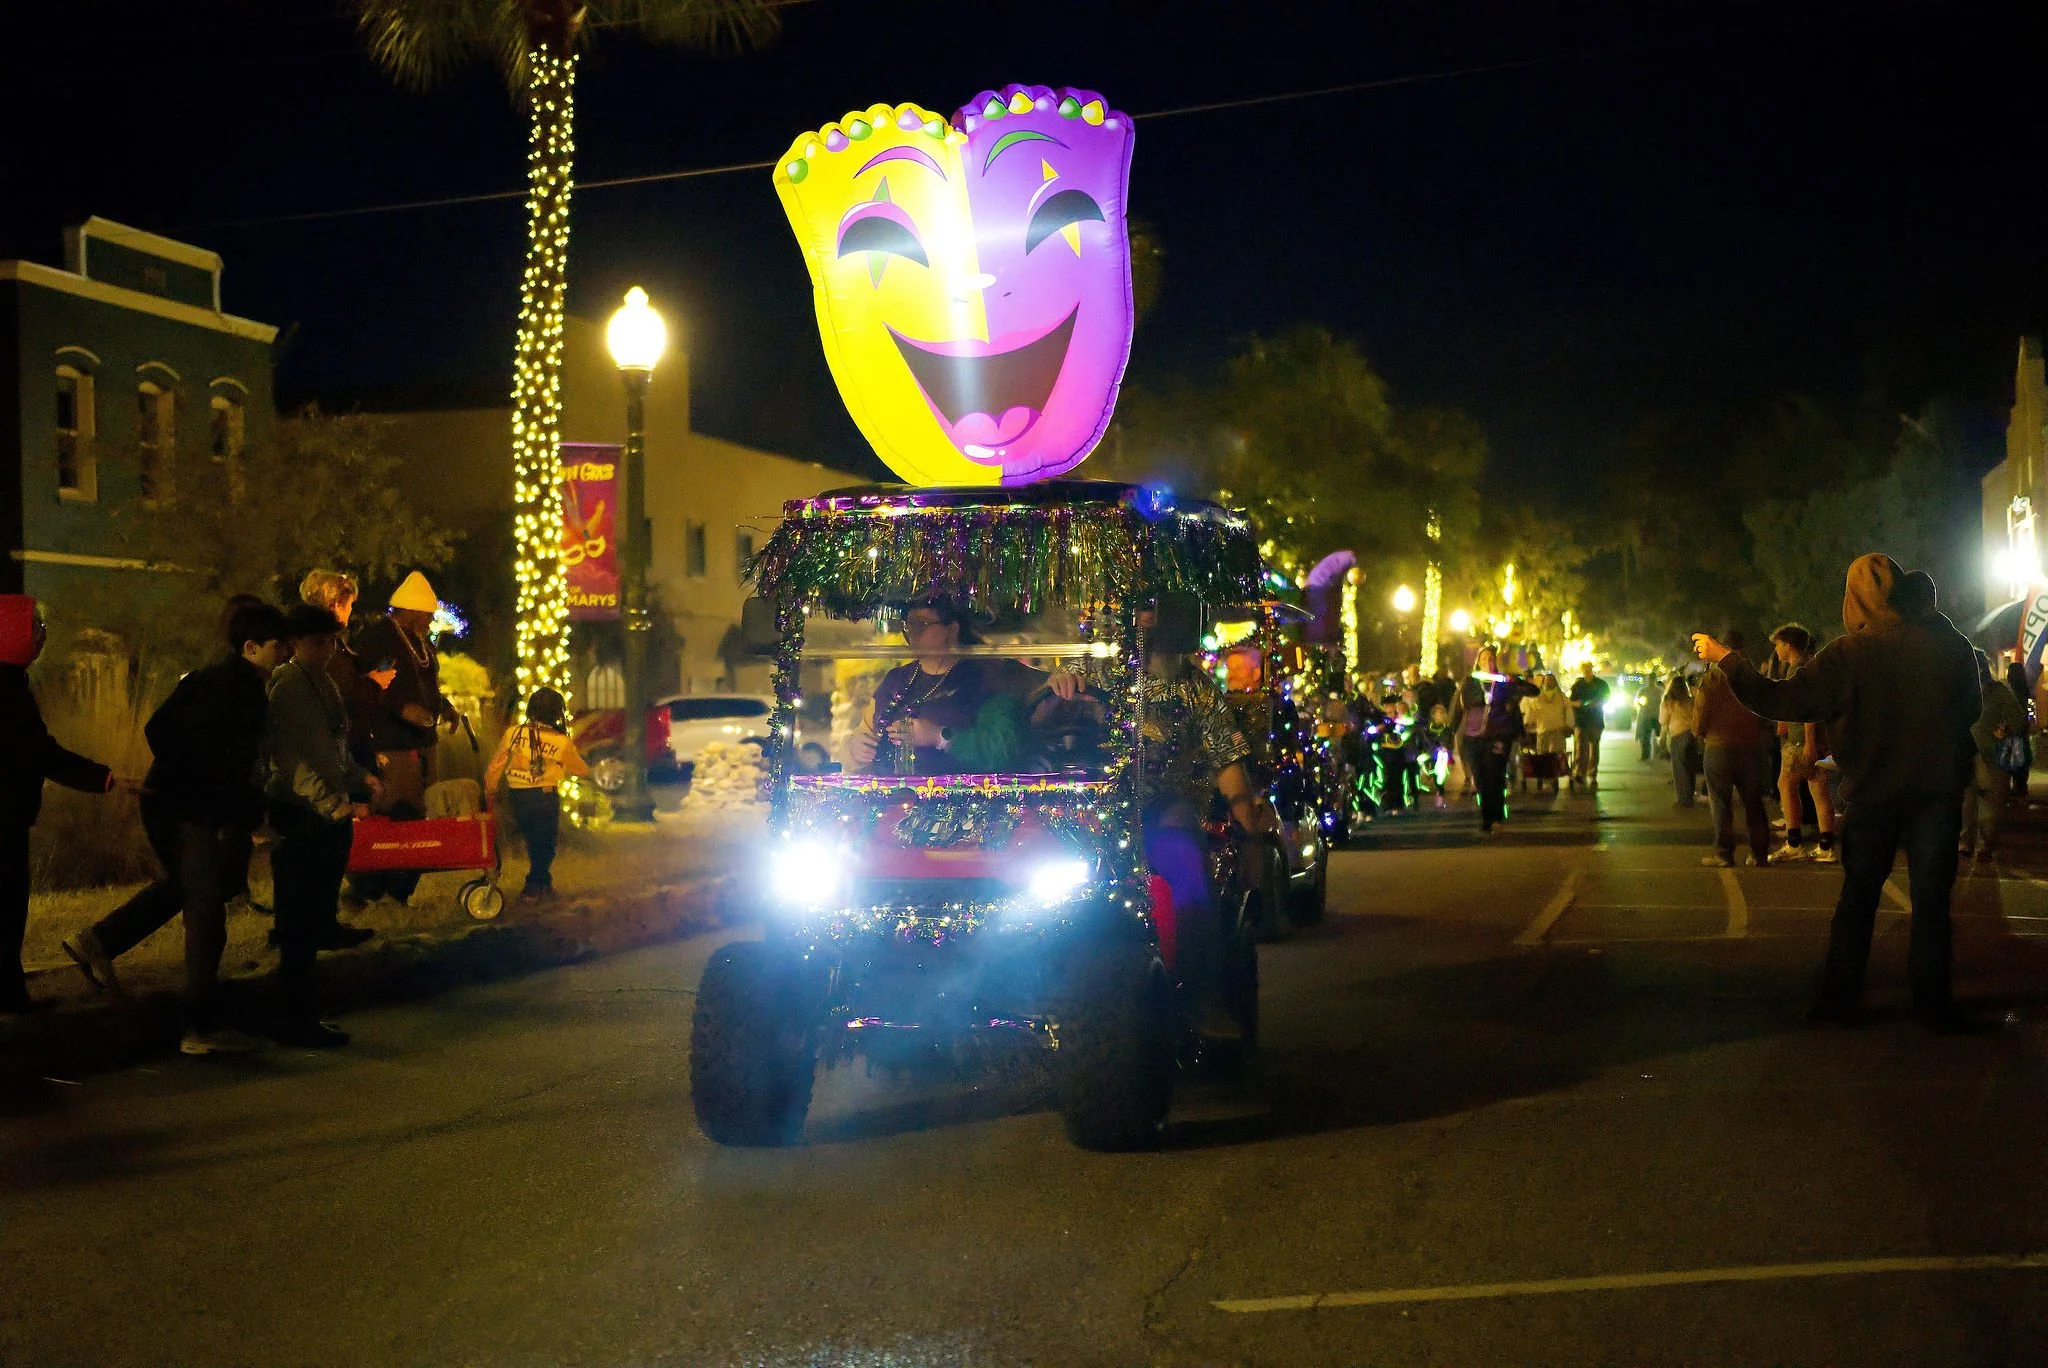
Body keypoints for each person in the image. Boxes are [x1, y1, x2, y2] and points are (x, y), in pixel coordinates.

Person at [1693, 554, 1980, 1029]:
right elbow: (1969, 707)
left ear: (1854, 600)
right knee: (1931, 903)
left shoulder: (1849, 655)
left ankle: (1839, 1002)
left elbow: (1779, 698)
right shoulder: (1949, 646)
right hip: (1937, 791)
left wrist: (1727, 659)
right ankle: (1932, 1005)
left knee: (1859, 899)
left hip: (1873, 792)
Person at [61, 601, 296, 1053]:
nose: (283, 653)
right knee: (206, 915)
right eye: (277, 646)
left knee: (196, 888)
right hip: (189, 809)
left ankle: (99, 941)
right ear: (251, 648)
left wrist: (181, 772)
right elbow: (231, 768)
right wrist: (245, 813)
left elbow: (157, 728)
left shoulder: (208, 678)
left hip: (170, 800)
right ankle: (199, 1028)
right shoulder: (244, 694)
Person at [1, 596, 129, 1013]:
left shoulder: (13, 682)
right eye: (35, 629)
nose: (41, 638)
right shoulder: (7, 688)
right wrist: (102, 778)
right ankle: (9, 997)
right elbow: (39, 752)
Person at [266, 603, 379, 1048]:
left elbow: (335, 745)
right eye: (319, 641)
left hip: (328, 812)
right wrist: (330, 802)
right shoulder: (288, 683)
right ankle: (292, 1017)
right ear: (296, 642)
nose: (328, 648)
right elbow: (289, 758)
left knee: (313, 917)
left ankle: (302, 1012)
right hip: (301, 812)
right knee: (298, 921)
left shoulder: (325, 681)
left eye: (331, 640)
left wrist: (359, 779)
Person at [845, 598, 1045, 774]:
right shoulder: (897, 678)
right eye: (909, 624)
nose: (912, 632)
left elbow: (999, 750)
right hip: (892, 798)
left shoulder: (987, 675)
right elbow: (866, 729)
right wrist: (857, 744)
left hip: (962, 802)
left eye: (922, 624)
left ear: (952, 629)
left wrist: (938, 736)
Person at [352, 571, 455, 902]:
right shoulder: (379, 638)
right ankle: (369, 889)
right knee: (391, 813)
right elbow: (369, 684)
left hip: (423, 742)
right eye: (426, 614)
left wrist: (447, 708)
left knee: (416, 817)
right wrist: (400, 708)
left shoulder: (421, 641)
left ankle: (401, 890)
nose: (429, 620)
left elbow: (427, 686)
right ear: (410, 610)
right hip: (392, 743)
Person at [484, 687, 590, 901]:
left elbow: (496, 765)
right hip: (544, 797)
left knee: (534, 842)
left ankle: (544, 885)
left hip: (517, 797)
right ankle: (532, 887)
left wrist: (490, 789)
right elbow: (581, 769)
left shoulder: (513, 734)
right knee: (545, 845)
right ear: (556, 712)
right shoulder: (560, 741)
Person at [1692, 629, 1771, 868]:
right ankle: (1759, 853)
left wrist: (1698, 732)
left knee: (1721, 803)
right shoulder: (1752, 675)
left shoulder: (1713, 679)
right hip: (1750, 746)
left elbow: (1701, 714)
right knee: (1753, 802)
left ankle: (1724, 853)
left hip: (1719, 747)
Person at [1765, 625, 1837, 864]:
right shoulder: (1814, 666)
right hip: (1816, 739)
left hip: (1801, 740)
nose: (1776, 650)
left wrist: (1808, 742)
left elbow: (1808, 709)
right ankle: (1826, 845)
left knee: (1785, 784)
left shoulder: (1798, 670)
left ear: (1787, 644)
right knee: (1818, 789)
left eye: (1777, 644)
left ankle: (1794, 842)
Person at [1455, 646, 1538, 834]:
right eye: (1484, 658)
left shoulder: (1503, 682)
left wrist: (1516, 681)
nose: (1488, 661)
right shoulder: (1470, 681)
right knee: (1481, 779)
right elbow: (1459, 708)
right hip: (1473, 736)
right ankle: (1487, 817)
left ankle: (1495, 819)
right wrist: (1447, 739)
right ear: (1478, 661)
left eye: (1491, 658)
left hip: (1498, 735)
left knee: (1495, 776)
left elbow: (1533, 691)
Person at [1963, 649, 2027, 860]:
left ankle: (1985, 846)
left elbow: (2018, 720)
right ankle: (1966, 843)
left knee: (1990, 805)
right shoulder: (1964, 691)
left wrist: (2004, 729)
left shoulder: (1998, 693)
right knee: (1967, 802)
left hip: (1993, 756)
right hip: (1967, 753)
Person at [1521, 671, 1573, 793]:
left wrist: (1569, 725)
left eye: (1551, 680)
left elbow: (1568, 711)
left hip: (1557, 731)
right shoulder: (1537, 697)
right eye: (1547, 680)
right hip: (1542, 732)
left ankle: (1553, 779)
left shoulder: (1561, 697)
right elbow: (1531, 712)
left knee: (1555, 756)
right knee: (1543, 756)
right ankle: (1545, 780)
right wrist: (1527, 723)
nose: (1549, 682)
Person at [1567, 661, 1612, 789]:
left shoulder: (1601, 684)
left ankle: (1592, 772)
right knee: (1581, 747)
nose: (1587, 671)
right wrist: (1578, 704)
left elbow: (1607, 698)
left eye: (1588, 669)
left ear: (1592, 669)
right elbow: (1571, 701)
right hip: (1581, 721)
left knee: (1594, 747)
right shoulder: (1578, 685)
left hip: (1596, 720)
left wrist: (1597, 703)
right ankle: (1580, 772)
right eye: (1584, 669)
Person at [1660, 673, 1701, 807]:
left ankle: (1684, 800)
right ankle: (1690, 795)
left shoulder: (1668, 701)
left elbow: (1662, 720)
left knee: (1680, 769)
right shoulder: (1690, 700)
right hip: (1692, 735)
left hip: (1677, 735)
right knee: (1690, 767)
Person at [2005, 662, 2036, 799]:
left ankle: (2017, 788)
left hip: (2012, 732)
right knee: (2022, 761)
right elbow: (2032, 716)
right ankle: (2021, 787)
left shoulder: (2009, 694)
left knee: (2014, 761)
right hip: (2023, 732)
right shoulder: (2028, 694)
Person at [1633, 680, 1661, 762]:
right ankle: (1652, 754)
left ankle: (1647, 754)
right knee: (1651, 737)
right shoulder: (1659, 691)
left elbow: (1637, 703)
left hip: (1647, 716)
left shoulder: (1643, 690)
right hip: (1654, 716)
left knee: (1646, 737)